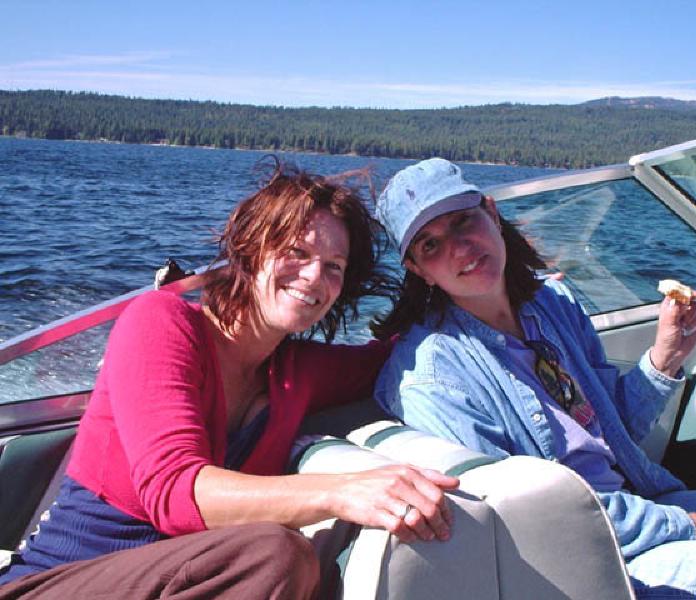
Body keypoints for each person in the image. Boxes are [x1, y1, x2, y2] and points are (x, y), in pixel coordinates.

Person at [0, 161, 458, 599]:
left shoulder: (296, 373)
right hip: (58, 582)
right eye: (296, 252)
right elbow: (174, 492)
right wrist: (346, 490)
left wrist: (460, 289)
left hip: (190, 581)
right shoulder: (161, 322)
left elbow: (392, 355)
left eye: (333, 266)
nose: (314, 276)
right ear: (251, 250)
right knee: (277, 555)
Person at [372, 157, 696, 599]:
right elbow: (526, 515)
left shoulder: (552, 304)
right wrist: (673, 524)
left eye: (464, 221)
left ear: (492, 213)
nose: (459, 248)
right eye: (430, 246)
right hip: (600, 557)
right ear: (418, 270)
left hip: (645, 502)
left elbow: (616, 432)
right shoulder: (431, 377)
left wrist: (664, 358)